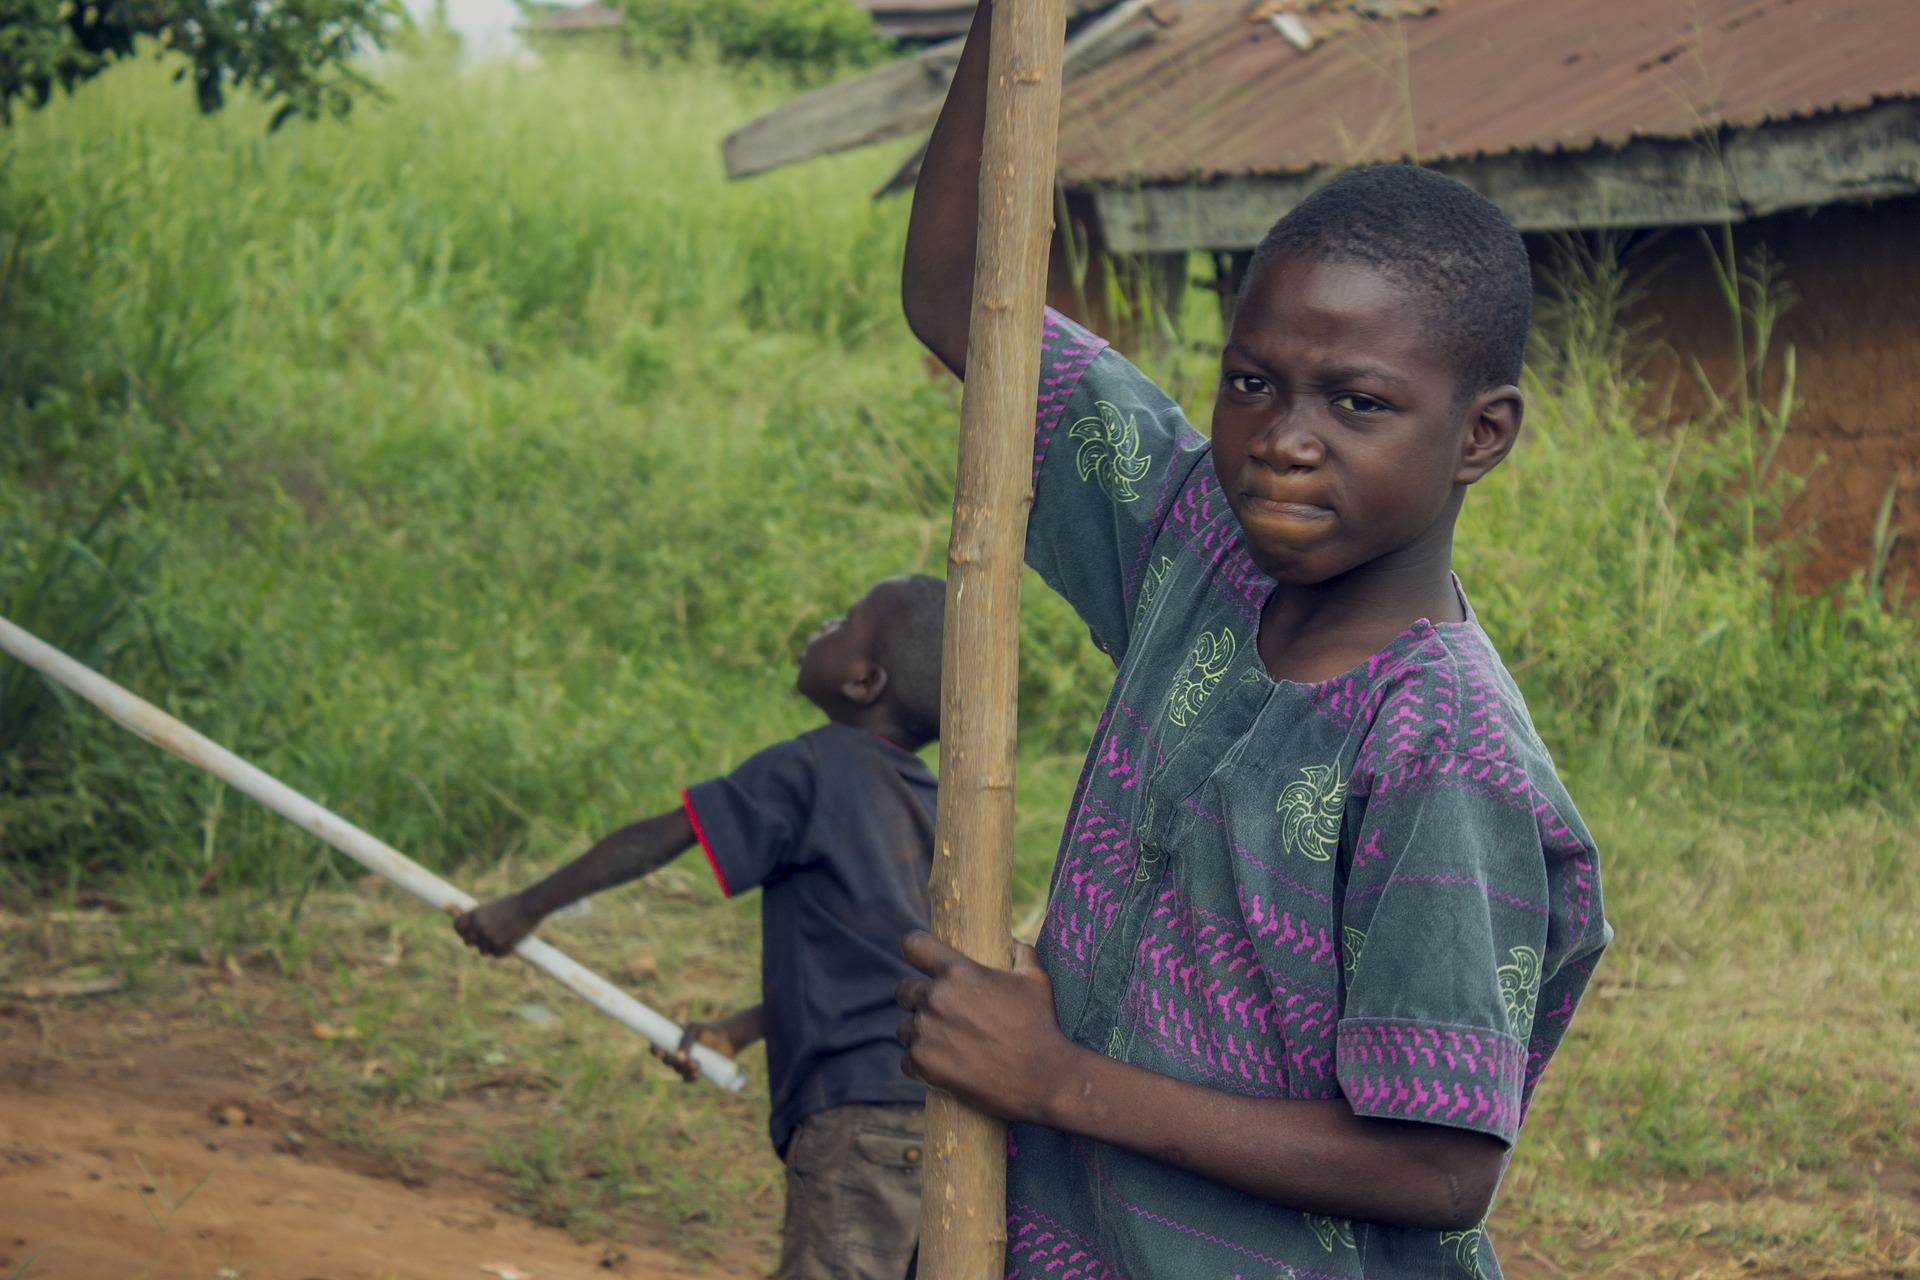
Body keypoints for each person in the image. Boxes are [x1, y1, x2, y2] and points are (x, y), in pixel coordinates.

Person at [890, 9, 1612, 1277]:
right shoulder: (1196, 549)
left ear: (1481, 435)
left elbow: (1439, 1167)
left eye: (1359, 401)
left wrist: (1055, 1078)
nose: (1283, 438)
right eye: (1251, 382)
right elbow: (966, 296)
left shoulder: (1443, 752)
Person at [454, 573, 946, 1280]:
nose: (823, 626)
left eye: (843, 622)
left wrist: (524, 908)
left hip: (857, 1109)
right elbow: (874, 969)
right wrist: (739, 1029)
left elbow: (664, 836)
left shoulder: (814, 765)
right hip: (937, 1107)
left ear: (865, 682)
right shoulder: (931, 805)